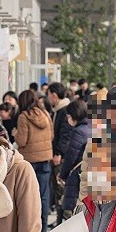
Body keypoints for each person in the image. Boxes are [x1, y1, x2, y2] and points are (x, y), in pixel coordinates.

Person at [14, 89, 53, 232]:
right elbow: (52, 136)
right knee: (44, 193)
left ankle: (31, 227)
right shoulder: (46, 114)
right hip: (45, 160)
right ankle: (43, 226)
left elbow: (22, 141)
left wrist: (15, 134)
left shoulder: (23, 117)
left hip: (30, 161)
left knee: (29, 195)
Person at [58, 98, 91, 220]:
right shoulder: (91, 127)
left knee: (72, 211)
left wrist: (62, 174)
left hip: (77, 176)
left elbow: (70, 157)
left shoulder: (78, 132)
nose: (67, 119)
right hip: (86, 174)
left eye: (68, 116)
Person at [47, 82, 72, 223]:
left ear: (54, 95)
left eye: (49, 95)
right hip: (57, 155)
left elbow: (65, 135)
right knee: (57, 190)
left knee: (60, 189)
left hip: (60, 157)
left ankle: (64, 220)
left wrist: (58, 153)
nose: (48, 98)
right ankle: (59, 219)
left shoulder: (64, 111)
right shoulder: (56, 110)